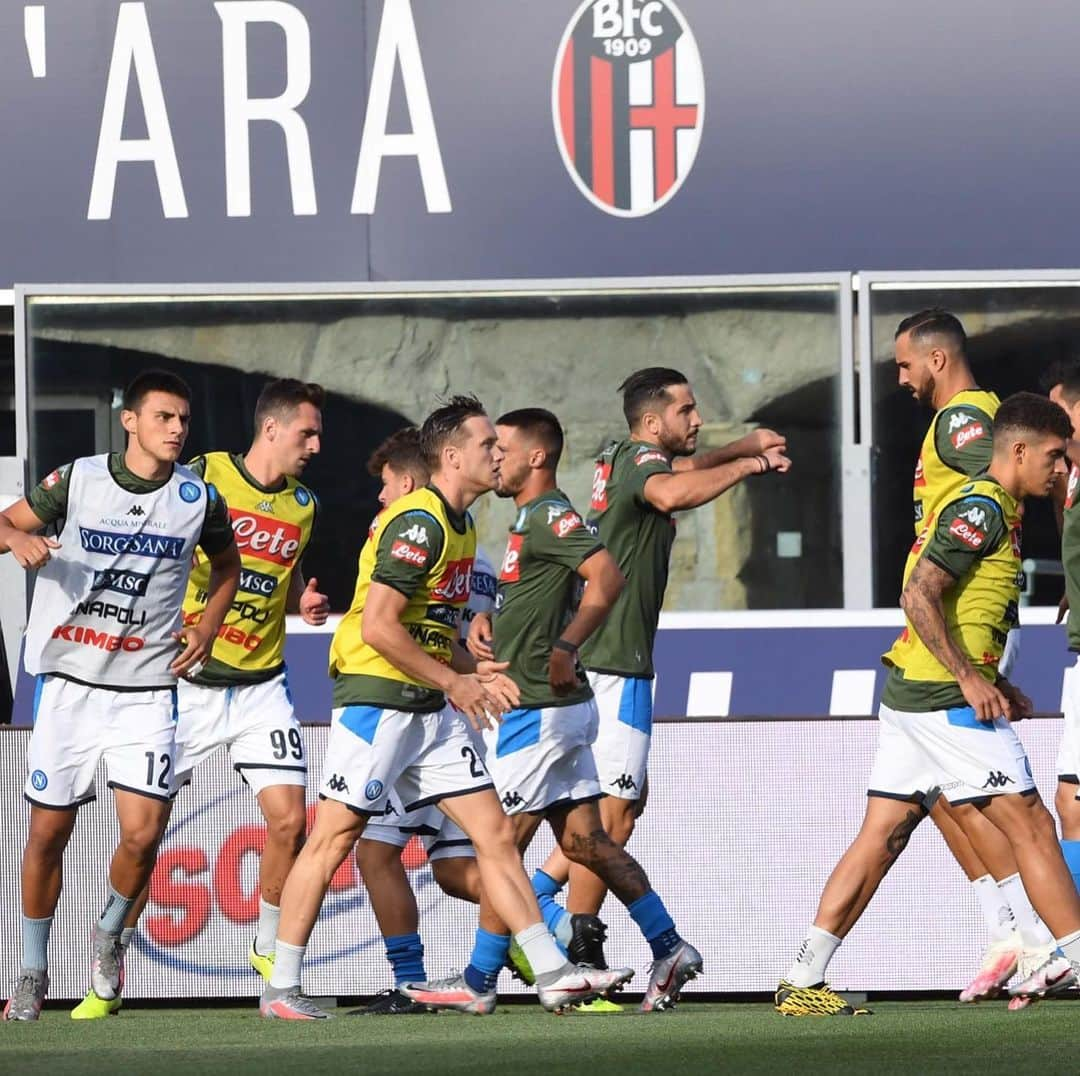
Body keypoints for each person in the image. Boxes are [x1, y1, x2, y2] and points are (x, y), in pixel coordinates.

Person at [258, 395, 632, 1020]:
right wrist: (456, 683)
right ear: (452, 457)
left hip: (427, 706)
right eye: (488, 445)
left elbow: (425, 626)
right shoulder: (420, 522)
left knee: (493, 836)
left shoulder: (461, 525)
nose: (498, 453)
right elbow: (377, 627)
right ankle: (281, 988)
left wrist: (469, 667)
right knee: (335, 837)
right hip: (379, 700)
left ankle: (552, 971)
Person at [777, 392, 1080, 1016]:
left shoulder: (997, 507)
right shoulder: (983, 506)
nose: (1059, 469)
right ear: (1018, 451)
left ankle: (801, 977)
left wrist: (995, 678)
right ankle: (1071, 950)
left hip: (912, 696)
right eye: (1053, 456)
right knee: (1030, 822)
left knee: (882, 835)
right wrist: (970, 680)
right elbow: (917, 594)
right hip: (943, 699)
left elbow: (960, 607)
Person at [401, 407, 701, 1015]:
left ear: (535, 457)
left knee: (496, 845)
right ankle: (668, 947)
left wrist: (567, 646)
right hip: (554, 705)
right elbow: (549, 592)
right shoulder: (525, 522)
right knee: (586, 842)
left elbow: (606, 577)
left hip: (537, 707)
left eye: (502, 447)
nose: (495, 458)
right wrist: (495, 621)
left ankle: (480, 981)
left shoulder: (547, 514)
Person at [70, 379, 329, 1018]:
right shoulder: (205, 474)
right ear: (271, 429)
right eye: (307, 433)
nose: (316, 446)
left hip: (263, 683)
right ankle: (110, 950)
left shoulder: (304, 504)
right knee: (145, 837)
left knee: (292, 820)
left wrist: (304, 601)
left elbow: (283, 571)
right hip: (181, 684)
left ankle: (271, 950)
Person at [528, 368, 789, 986]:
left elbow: (676, 477)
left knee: (615, 805)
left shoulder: (627, 456)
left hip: (600, 657)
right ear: (653, 421)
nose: (696, 421)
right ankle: (580, 952)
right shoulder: (647, 462)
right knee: (611, 817)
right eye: (687, 411)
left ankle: (540, 899)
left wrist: (740, 446)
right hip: (618, 663)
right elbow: (672, 494)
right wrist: (750, 468)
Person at [1, 370, 240, 1022]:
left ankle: (110, 936)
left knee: (144, 832)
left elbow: (228, 566)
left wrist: (209, 625)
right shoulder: (77, 480)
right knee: (49, 833)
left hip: (145, 690)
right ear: (130, 420)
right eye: (164, 417)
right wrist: (19, 538)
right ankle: (31, 969)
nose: (176, 429)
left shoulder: (199, 498)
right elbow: (2, 523)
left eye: (184, 420)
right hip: (70, 687)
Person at [893, 310, 1054, 1004]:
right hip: (945, 632)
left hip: (954, 630)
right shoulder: (960, 422)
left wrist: (975, 668)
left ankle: (1047, 943)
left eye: (904, 364)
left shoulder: (963, 421)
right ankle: (1012, 933)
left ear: (935, 359)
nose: (899, 378)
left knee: (1020, 812)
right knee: (941, 799)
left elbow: (993, 500)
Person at [349, 427, 489, 1016]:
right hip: (458, 710)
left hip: (418, 714)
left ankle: (412, 982)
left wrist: (459, 679)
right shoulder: (474, 549)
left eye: (385, 486)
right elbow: (460, 634)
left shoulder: (411, 529)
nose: (380, 499)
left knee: (370, 851)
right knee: (463, 868)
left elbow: (389, 627)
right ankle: (549, 934)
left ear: (407, 482)